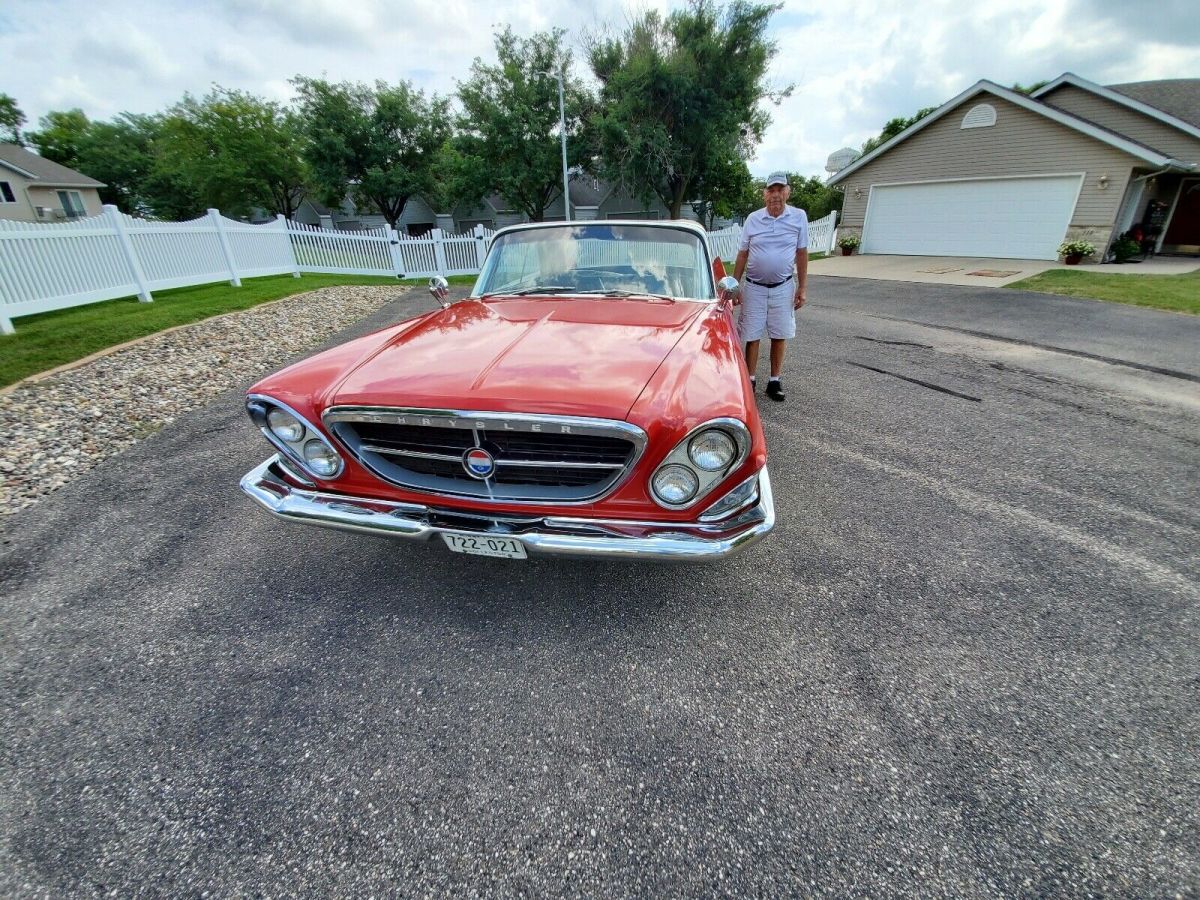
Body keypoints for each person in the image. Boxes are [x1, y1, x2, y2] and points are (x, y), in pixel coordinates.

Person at [732, 172, 808, 402]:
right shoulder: (753, 219)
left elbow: (802, 253)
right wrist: (734, 286)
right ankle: (750, 379)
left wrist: (802, 287)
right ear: (765, 194)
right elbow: (743, 253)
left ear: (787, 192)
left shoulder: (798, 217)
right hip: (754, 286)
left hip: (783, 286)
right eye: (771, 190)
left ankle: (774, 380)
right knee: (751, 333)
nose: (775, 195)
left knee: (779, 333)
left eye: (779, 190)